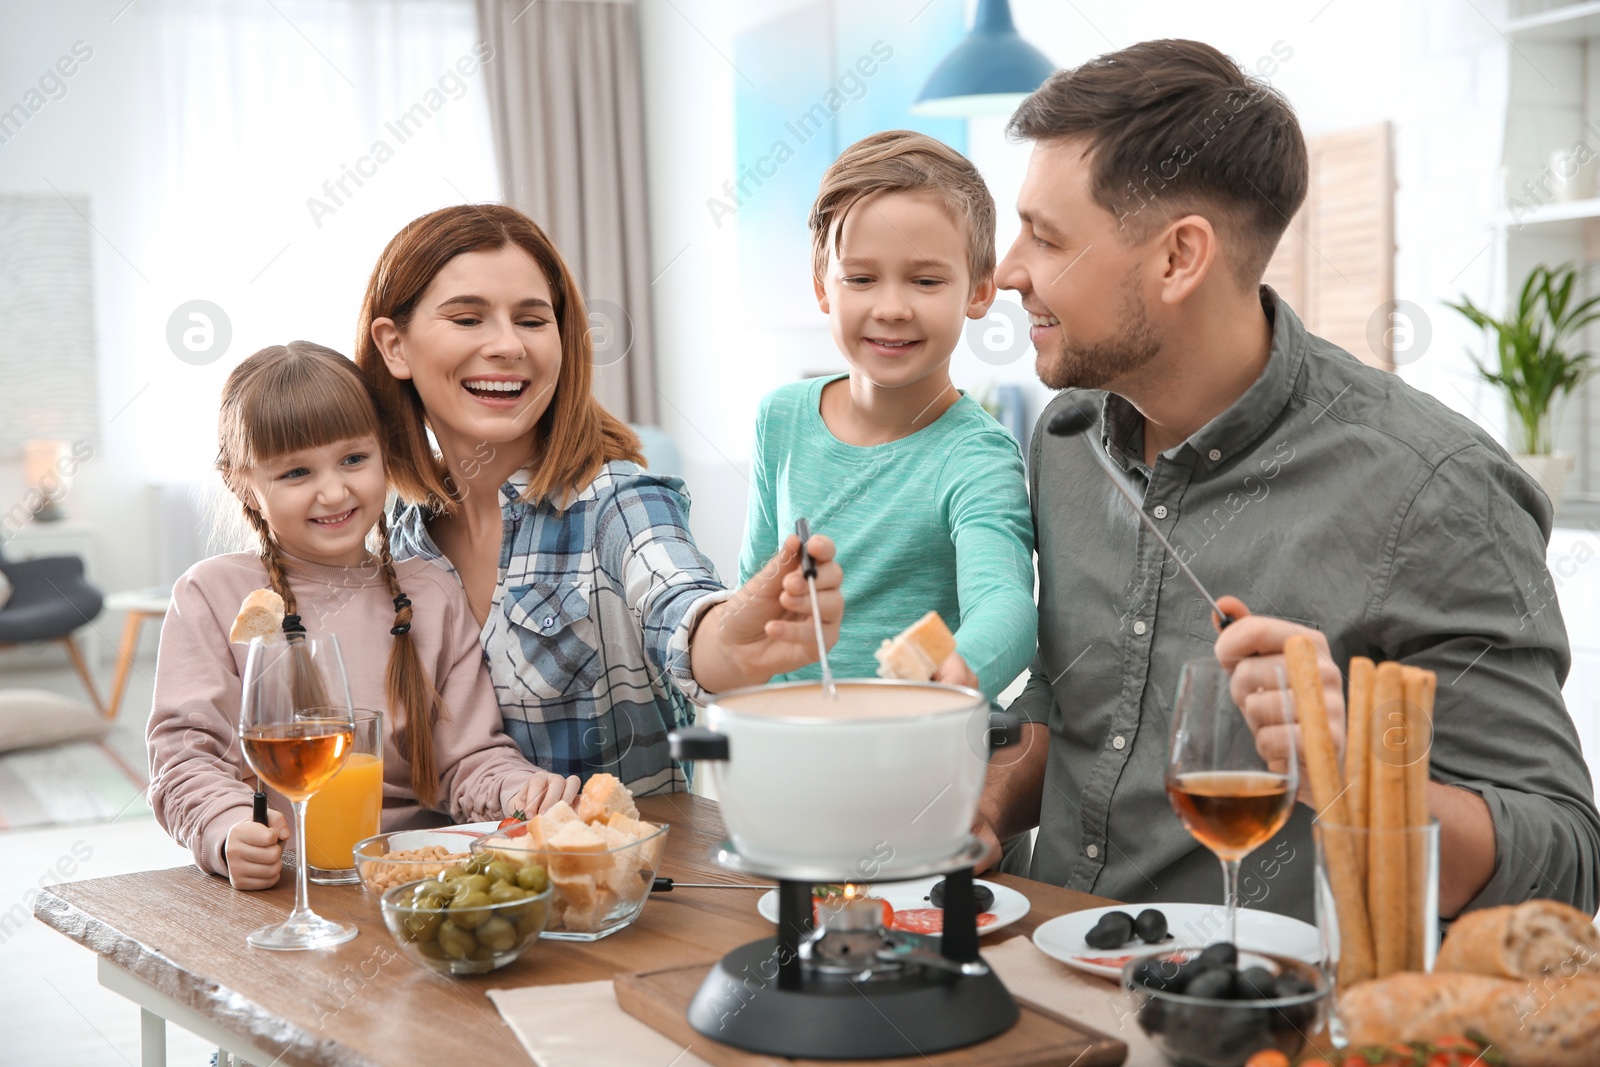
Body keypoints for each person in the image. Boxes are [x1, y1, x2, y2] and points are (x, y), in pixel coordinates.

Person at [975, 39, 1600, 920]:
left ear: (1178, 258)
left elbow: (1564, 862)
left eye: (1045, 236)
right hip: (1048, 988)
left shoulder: (1437, 490)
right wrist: (986, 806)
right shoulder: (1067, 436)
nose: (1006, 271)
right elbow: (1071, 698)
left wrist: (1350, 774)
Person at [358, 204, 843, 796]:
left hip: (626, 882)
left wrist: (733, 639)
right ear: (394, 347)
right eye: (468, 318)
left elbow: (682, 605)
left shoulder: (619, 503)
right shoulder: (396, 539)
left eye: (533, 321)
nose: (508, 345)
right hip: (459, 882)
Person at [148, 342, 579, 891]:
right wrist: (227, 828)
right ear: (242, 484)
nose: (334, 491)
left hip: (419, 883)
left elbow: (470, 757)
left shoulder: (432, 592)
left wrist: (519, 792)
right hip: (284, 886)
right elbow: (184, 755)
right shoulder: (212, 594)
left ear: (386, 453)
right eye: (297, 472)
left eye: (354, 459)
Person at [739, 130, 1036, 700]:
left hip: (917, 754)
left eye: (926, 281)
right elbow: (752, 594)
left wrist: (962, 669)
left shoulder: (978, 457)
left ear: (978, 292)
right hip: (789, 745)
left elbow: (1006, 601)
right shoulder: (779, 420)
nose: (892, 308)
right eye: (861, 278)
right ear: (822, 285)